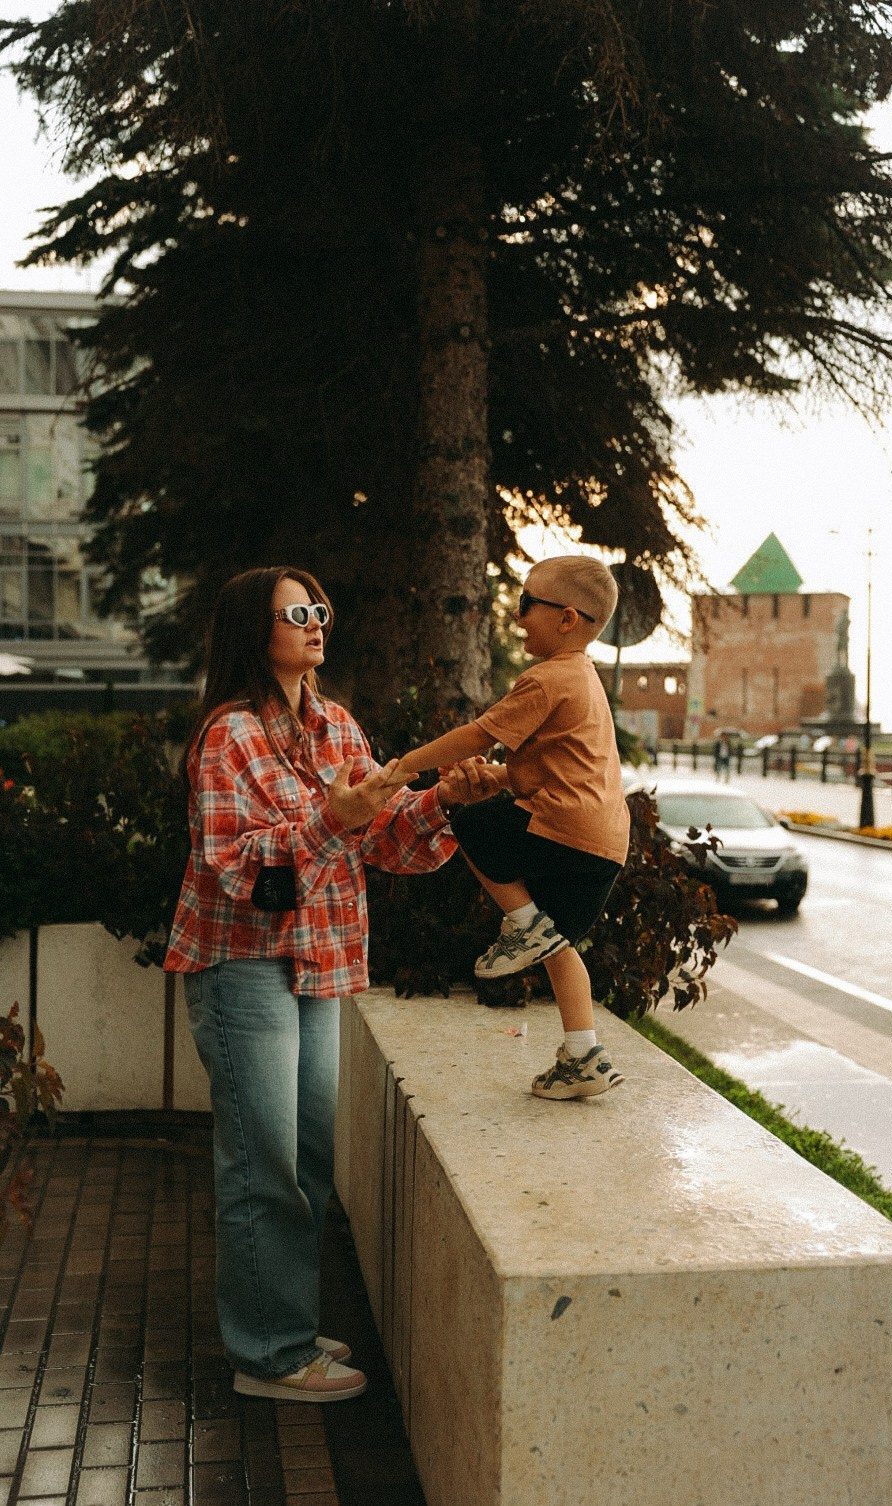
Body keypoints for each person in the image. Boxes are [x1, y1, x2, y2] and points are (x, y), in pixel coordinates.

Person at [164, 566, 496, 1404]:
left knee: (308, 1159)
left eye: (320, 610)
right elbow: (239, 870)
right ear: (255, 630)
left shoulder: (336, 726)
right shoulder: (227, 736)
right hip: (243, 966)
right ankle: (268, 1355)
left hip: (321, 962)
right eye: (296, 613)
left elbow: (388, 840)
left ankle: (287, 1324)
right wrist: (331, 821)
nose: (316, 624)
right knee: (262, 1163)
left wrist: (446, 800)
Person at [384, 555, 630, 1101]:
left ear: (567, 618)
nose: (517, 618)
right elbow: (549, 768)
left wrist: (403, 767)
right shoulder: (584, 678)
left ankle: (519, 922)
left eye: (525, 605)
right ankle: (583, 1055)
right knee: (558, 945)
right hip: (603, 843)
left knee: (467, 820)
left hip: (563, 829)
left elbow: (474, 735)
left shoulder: (547, 678)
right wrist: (493, 779)